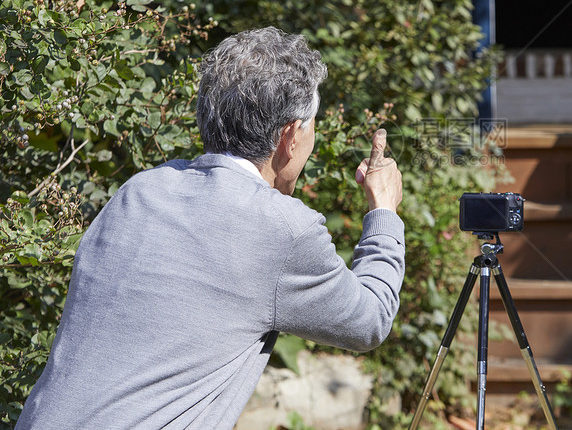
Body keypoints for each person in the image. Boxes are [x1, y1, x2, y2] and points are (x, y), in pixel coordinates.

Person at [17, 27, 405, 428]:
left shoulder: (141, 190)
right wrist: (383, 211)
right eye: (311, 126)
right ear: (290, 135)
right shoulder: (283, 229)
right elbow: (370, 320)